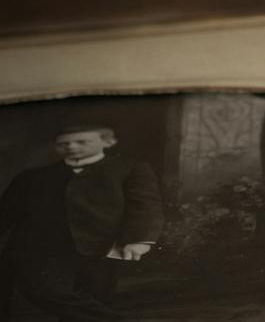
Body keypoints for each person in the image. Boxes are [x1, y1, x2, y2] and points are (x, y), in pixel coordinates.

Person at [0, 125, 163, 322]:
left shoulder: (129, 169)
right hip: (44, 248)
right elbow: (6, 211)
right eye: (64, 143)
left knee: (94, 298)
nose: (72, 147)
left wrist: (139, 239)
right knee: (44, 289)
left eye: (82, 142)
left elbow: (145, 205)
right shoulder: (33, 176)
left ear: (108, 142)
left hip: (101, 245)